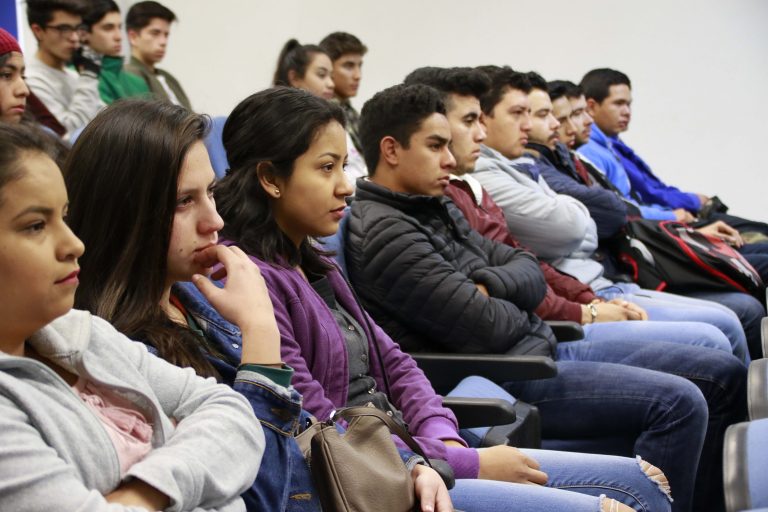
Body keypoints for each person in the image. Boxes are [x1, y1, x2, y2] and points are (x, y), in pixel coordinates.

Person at [213, 85, 673, 512]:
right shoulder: (248, 277)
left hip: (413, 451)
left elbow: (395, 362)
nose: (346, 185)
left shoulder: (312, 258)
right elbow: (315, 417)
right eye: (326, 168)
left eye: (342, 166)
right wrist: (460, 462)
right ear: (271, 179)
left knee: (647, 480)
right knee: (630, 493)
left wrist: (446, 444)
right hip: (371, 479)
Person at [345, 82, 746, 512]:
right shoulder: (388, 232)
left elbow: (525, 266)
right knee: (683, 400)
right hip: (509, 368)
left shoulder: (433, 203)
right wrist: (511, 294)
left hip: (535, 346)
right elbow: (490, 327)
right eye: (436, 145)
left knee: (715, 366)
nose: (450, 158)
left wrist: (493, 285)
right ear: (391, 150)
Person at [63, 99, 452, 512]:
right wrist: (261, 339)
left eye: (210, 193)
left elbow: (312, 422)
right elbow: (262, 496)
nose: (213, 220)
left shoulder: (196, 298)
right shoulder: (122, 351)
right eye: (183, 201)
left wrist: (411, 463)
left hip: (364, 477)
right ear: (125, 214)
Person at [0, 121, 264, 511]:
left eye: (64, 217)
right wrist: (260, 335)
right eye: (36, 226)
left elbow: (234, 415)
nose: (74, 244)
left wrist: (145, 493)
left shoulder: (80, 332)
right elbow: (267, 490)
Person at [404, 66, 733, 352]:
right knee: (716, 335)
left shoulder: (484, 180)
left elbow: (534, 255)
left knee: (723, 326)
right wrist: (585, 310)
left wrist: (590, 302)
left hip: (581, 297)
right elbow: (573, 230)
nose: (533, 124)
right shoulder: (472, 181)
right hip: (542, 337)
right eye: (522, 113)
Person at [577, 68, 768, 239]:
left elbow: (650, 190)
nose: (627, 111)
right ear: (592, 107)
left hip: (664, 221)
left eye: (629, 104)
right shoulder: (590, 150)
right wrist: (685, 206)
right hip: (659, 228)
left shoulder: (611, 144)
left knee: (760, 233)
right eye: (618, 104)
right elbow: (637, 200)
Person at [274, 39, 367, 186]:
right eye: (322, 75)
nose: (331, 84)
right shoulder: (285, 124)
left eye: (331, 76)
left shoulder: (331, 118)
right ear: (295, 78)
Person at [25, 0, 104, 137]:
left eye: (78, 28)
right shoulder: (30, 80)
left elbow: (106, 117)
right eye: (64, 29)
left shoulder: (74, 76)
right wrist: (89, 77)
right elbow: (67, 135)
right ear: (38, 31)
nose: (74, 38)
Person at [79, 0, 150, 104]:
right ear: (84, 33)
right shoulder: (78, 76)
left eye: (119, 28)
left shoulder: (138, 82)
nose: (119, 37)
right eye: (108, 28)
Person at [125, 1, 191, 109]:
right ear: (133, 37)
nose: (163, 42)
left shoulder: (168, 77)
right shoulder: (128, 75)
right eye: (155, 33)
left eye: (166, 35)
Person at [319, 31, 367, 153]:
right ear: (328, 68)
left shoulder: (351, 112)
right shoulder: (322, 114)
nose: (358, 75)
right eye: (349, 66)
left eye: (359, 66)